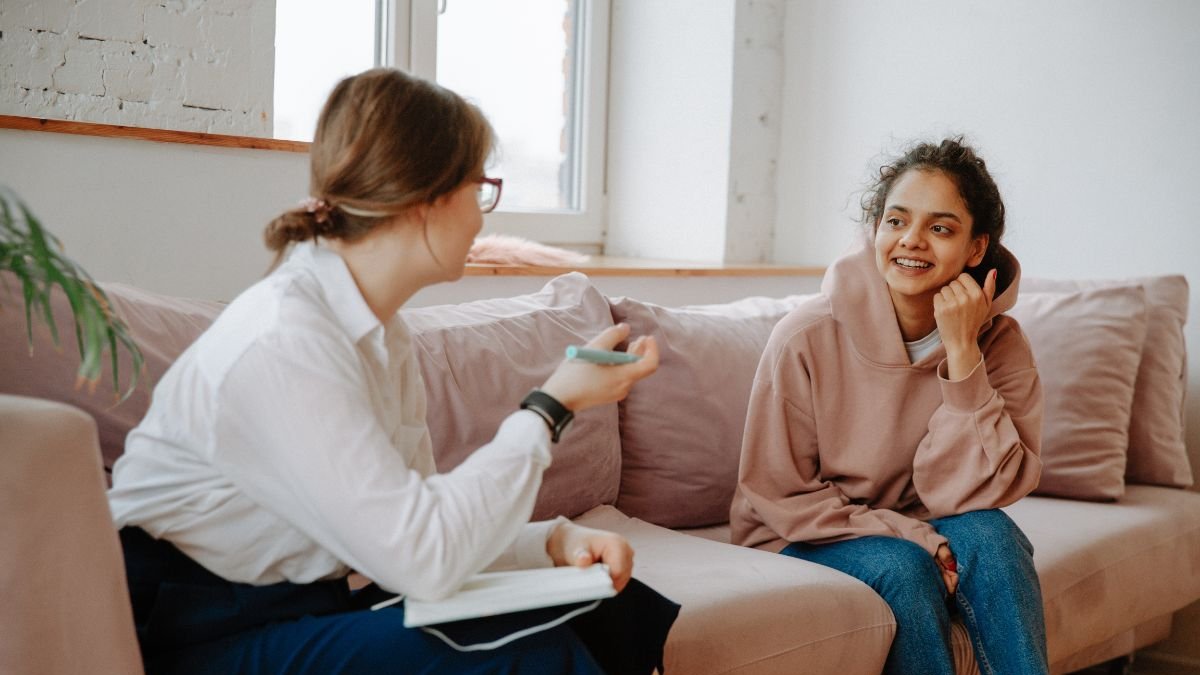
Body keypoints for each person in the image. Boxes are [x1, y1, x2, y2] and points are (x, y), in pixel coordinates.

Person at [108, 67, 678, 675]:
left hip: (308, 604)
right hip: (197, 632)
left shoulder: (382, 334)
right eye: (477, 188)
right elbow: (421, 557)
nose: (482, 218)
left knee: (613, 608)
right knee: (527, 656)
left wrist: (552, 543)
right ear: (423, 200)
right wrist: (549, 408)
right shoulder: (287, 341)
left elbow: (419, 522)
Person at [731, 138, 1048, 674]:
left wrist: (963, 355)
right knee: (903, 568)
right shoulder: (805, 336)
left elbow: (986, 492)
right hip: (801, 535)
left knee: (992, 535)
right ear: (874, 228)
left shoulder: (1000, 343)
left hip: (926, 521)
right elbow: (777, 493)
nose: (912, 242)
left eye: (941, 228)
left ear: (976, 248)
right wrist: (915, 535)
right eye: (896, 221)